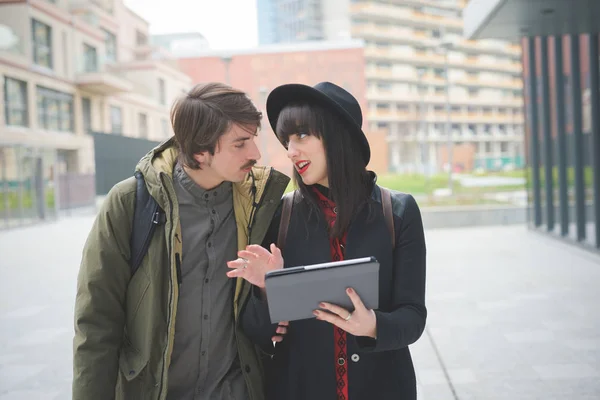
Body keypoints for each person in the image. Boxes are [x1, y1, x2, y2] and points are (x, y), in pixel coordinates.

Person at [72, 82, 290, 400]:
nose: (255, 154)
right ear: (201, 151)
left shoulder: (260, 203)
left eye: (253, 139)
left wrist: (274, 286)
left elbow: (273, 316)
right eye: (240, 144)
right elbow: (96, 322)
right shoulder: (131, 203)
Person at [227, 82, 427, 400]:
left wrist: (372, 325)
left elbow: (413, 317)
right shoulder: (281, 215)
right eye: (286, 140)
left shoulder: (398, 212)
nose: (291, 150)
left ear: (337, 136)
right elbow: (258, 335)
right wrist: (268, 287)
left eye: (302, 135)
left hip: (383, 387)